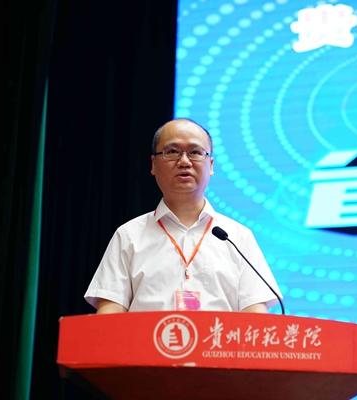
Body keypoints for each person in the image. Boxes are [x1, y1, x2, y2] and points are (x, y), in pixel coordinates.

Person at [84, 118, 282, 314]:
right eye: (172, 152)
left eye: (195, 152)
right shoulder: (128, 235)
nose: (184, 162)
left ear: (211, 165)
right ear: (153, 164)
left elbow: (255, 314)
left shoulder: (238, 237)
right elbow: (110, 312)